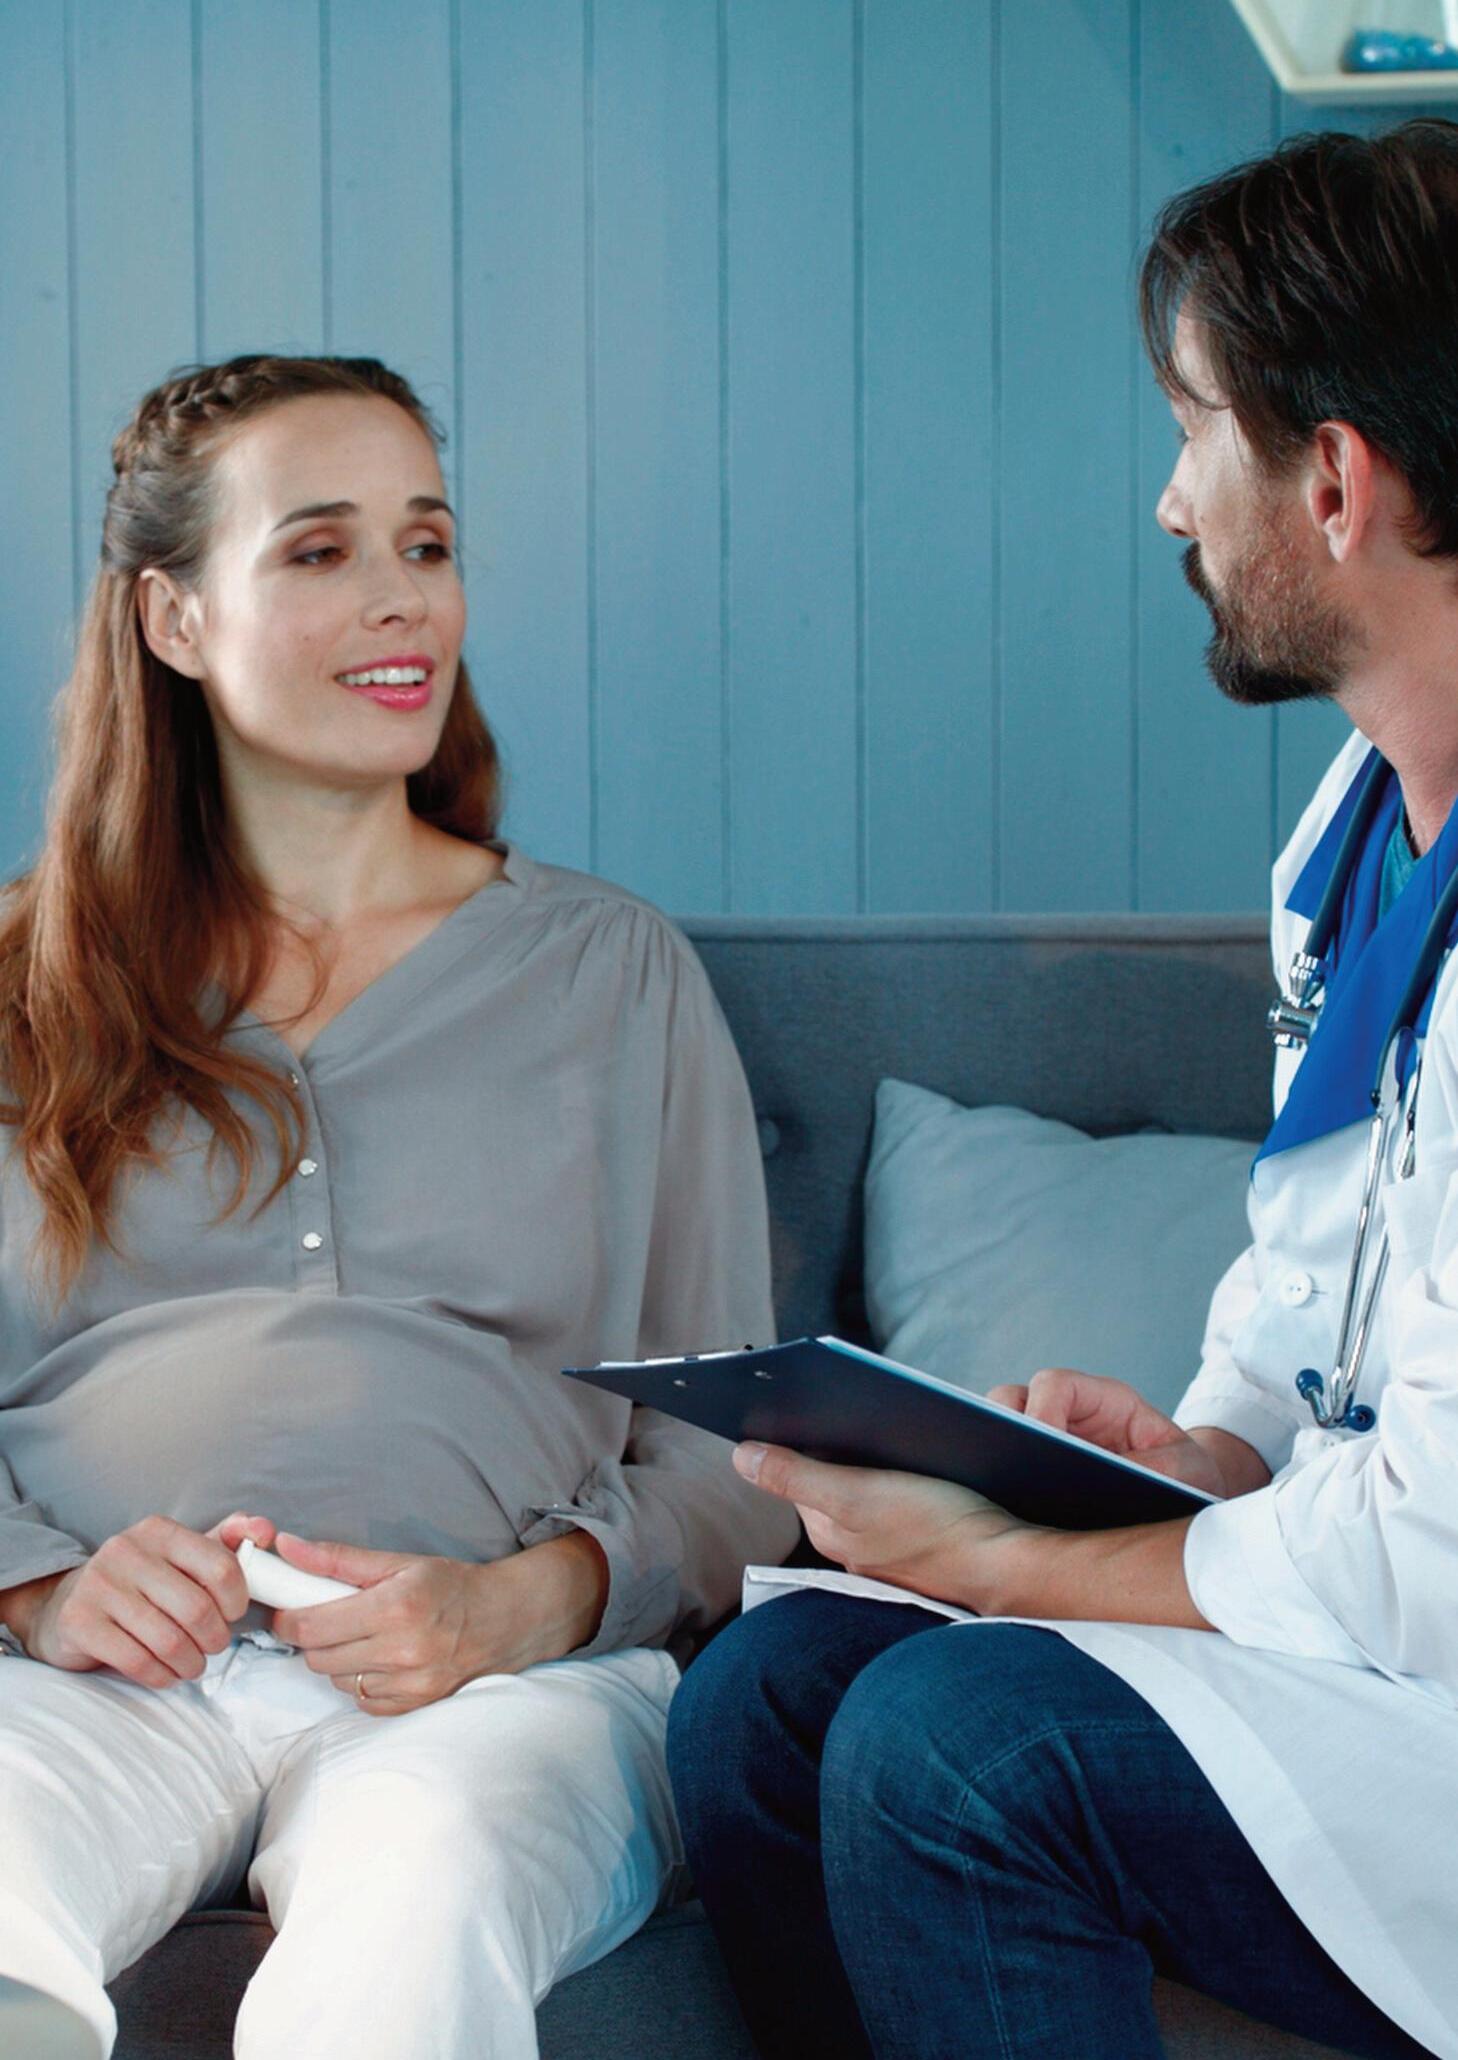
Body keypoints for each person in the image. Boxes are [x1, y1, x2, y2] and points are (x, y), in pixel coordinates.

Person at [667, 119, 1458, 2060]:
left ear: (1333, 481)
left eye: (1193, 430)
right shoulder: (1353, 842)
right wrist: (1193, 1463)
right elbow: (1309, 1295)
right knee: (764, 1700)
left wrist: (1024, 1563)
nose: (1171, 501)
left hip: (1432, 1663)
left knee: (964, 1749)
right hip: (1375, 1643)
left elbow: (1429, 1559)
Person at [0, 353, 798, 2060]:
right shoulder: (22, 983)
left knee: (417, 1903)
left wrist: (534, 1601)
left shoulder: (611, 973)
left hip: (500, 1692)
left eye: (424, 546)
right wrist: (38, 1594)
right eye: (319, 550)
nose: (401, 600)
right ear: (173, 619)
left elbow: (735, 1458)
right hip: (88, 1683)